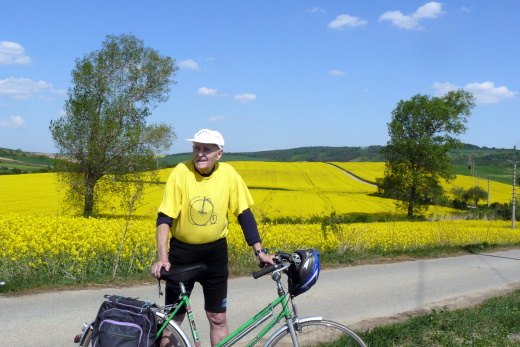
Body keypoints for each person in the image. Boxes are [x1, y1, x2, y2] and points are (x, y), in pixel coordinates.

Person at [151, 129, 274, 346]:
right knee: (174, 319)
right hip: (182, 254)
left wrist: (260, 251)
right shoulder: (181, 172)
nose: (200, 153)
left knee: (218, 318)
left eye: (207, 149)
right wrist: (163, 258)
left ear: (219, 153)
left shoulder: (228, 174)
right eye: (196, 148)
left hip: (215, 255)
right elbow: (164, 218)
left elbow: (244, 214)